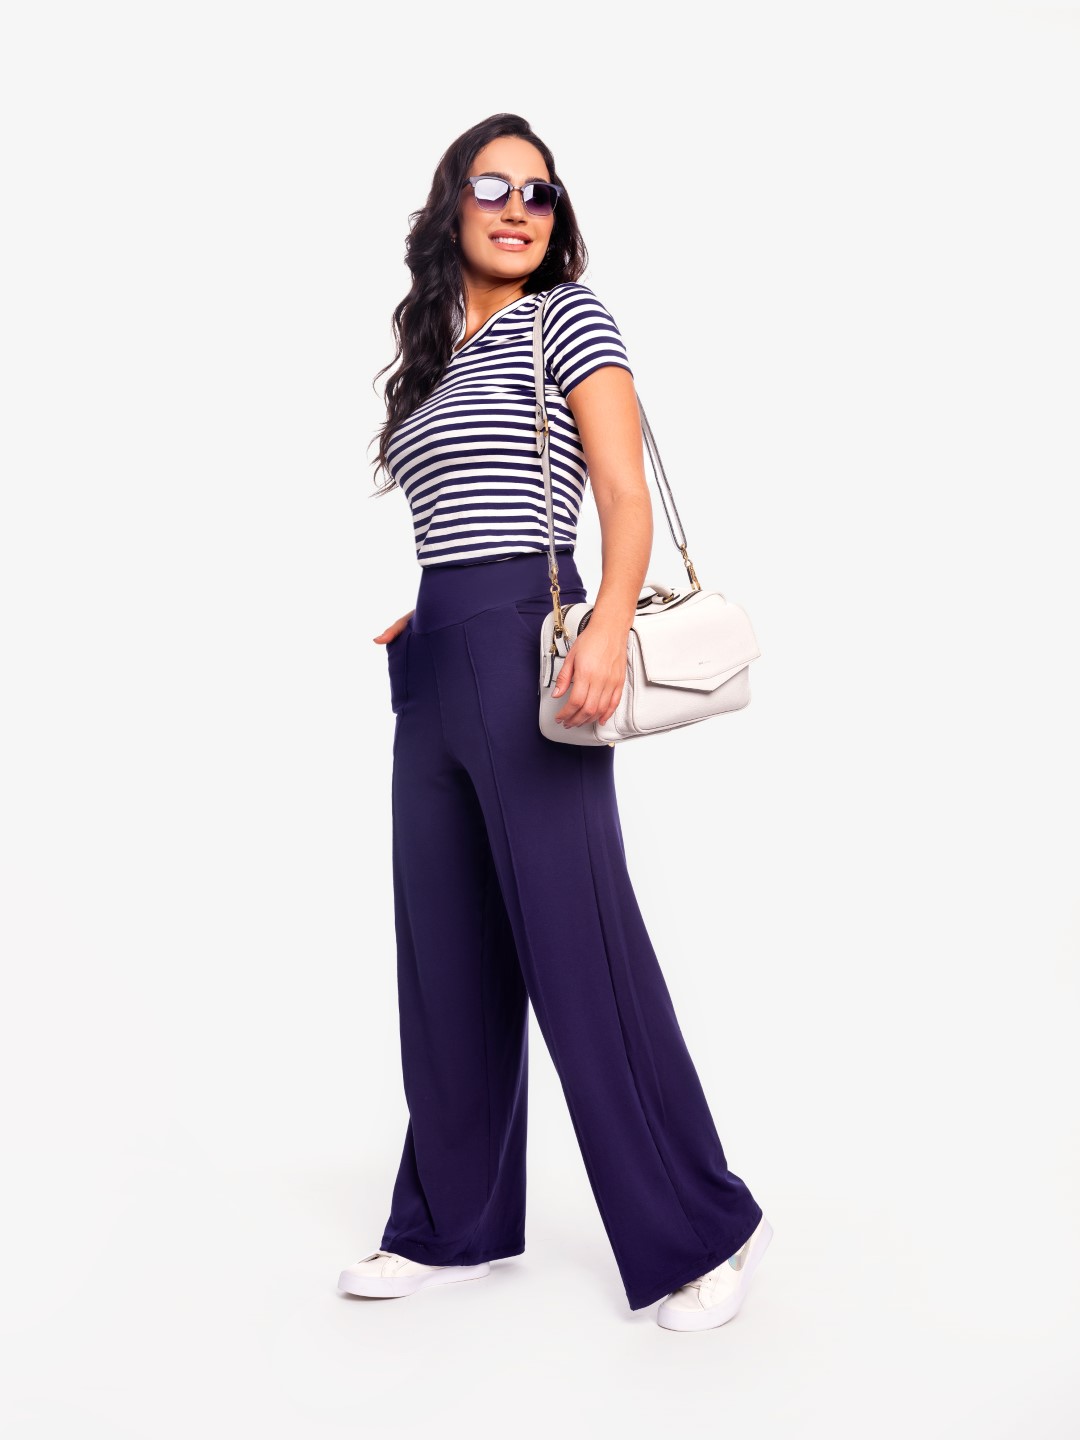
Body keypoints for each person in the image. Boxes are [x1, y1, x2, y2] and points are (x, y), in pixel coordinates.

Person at [337, 114, 772, 1330]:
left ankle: (704, 1230)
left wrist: (604, 622)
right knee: (444, 954)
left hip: (536, 650)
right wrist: (430, 615)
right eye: (493, 186)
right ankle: (451, 1224)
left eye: (539, 190)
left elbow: (622, 494)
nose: (518, 207)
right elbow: (463, 513)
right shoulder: (436, 359)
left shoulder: (567, 317)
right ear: (452, 207)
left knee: (582, 951)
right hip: (435, 660)